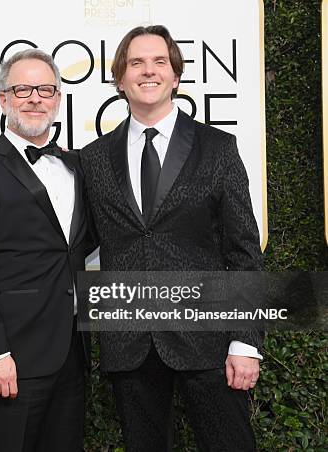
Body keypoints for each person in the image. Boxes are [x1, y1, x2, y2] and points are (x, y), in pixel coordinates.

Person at [80, 25, 263, 451]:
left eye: (159, 61)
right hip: (130, 343)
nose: (148, 71)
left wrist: (246, 340)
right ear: (120, 79)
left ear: (175, 76)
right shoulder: (94, 159)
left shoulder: (218, 148)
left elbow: (244, 253)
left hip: (212, 340)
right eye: (136, 63)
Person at [0, 49, 92, 452]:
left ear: (58, 98)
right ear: (3, 99)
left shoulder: (78, 166)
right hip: (11, 357)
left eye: (45, 89)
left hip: (71, 355)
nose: (35, 98)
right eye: (23, 88)